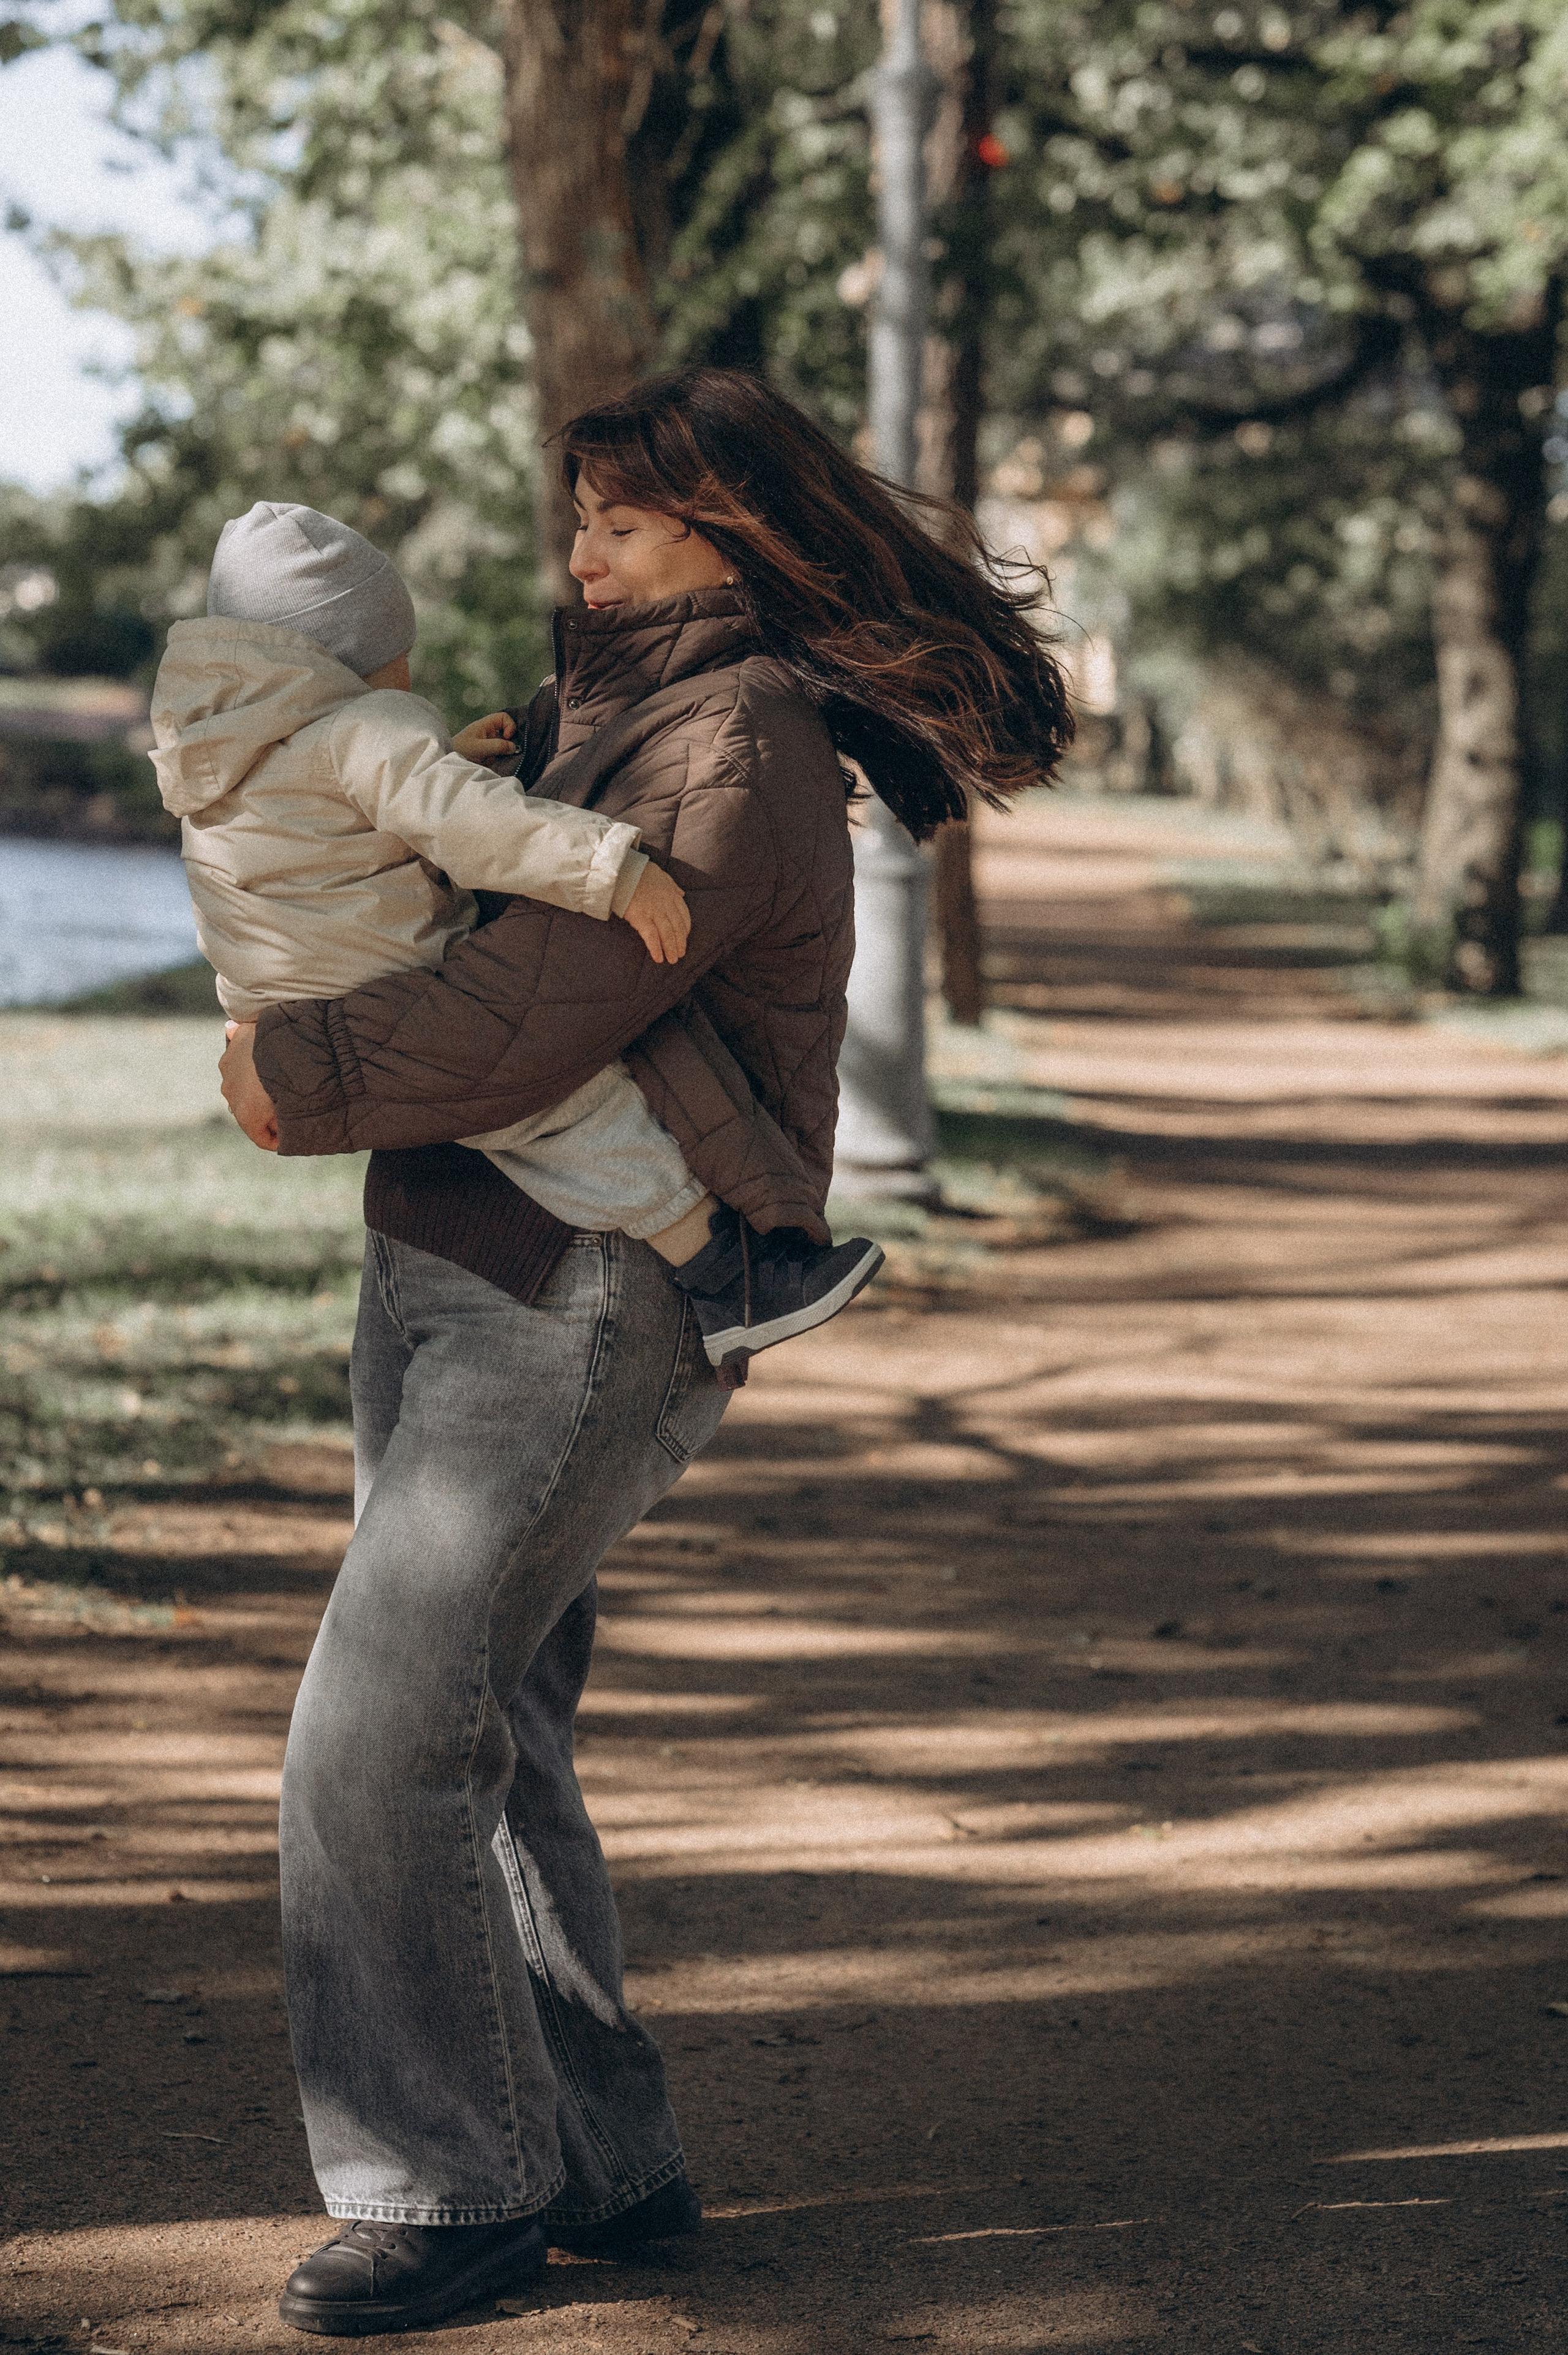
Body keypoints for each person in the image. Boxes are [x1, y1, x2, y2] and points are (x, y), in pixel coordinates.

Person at [217, 368, 1073, 2338]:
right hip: (452, 1250)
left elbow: (538, 1000)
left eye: (621, 521)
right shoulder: (608, 710)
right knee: (483, 1725)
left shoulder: (740, 736)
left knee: (371, 1740)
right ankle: (599, 2157)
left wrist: (296, 1063)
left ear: (732, 537)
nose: (577, 550)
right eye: (580, 514)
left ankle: (447, 2188)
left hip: (594, 1287)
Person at [151, 500, 881, 1375]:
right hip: (381, 969)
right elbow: (474, 829)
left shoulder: (220, 749)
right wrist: (608, 869)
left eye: (617, 527)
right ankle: (725, 1272)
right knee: (577, 1110)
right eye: (398, 665)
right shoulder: (366, 733)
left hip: (271, 992)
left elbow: (327, 820)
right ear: (348, 661)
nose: (583, 559)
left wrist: (438, 757)